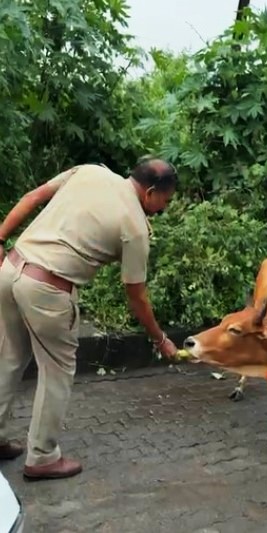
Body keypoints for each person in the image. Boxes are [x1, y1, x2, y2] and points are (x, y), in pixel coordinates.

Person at [0, 158, 180, 480]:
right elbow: (136, 296)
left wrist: (0, 237)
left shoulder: (90, 171)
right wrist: (160, 338)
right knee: (57, 371)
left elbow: (33, 197)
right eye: (163, 203)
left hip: (11, 269)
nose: (160, 210)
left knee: (10, 357)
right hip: (46, 288)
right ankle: (42, 457)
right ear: (150, 192)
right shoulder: (135, 227)